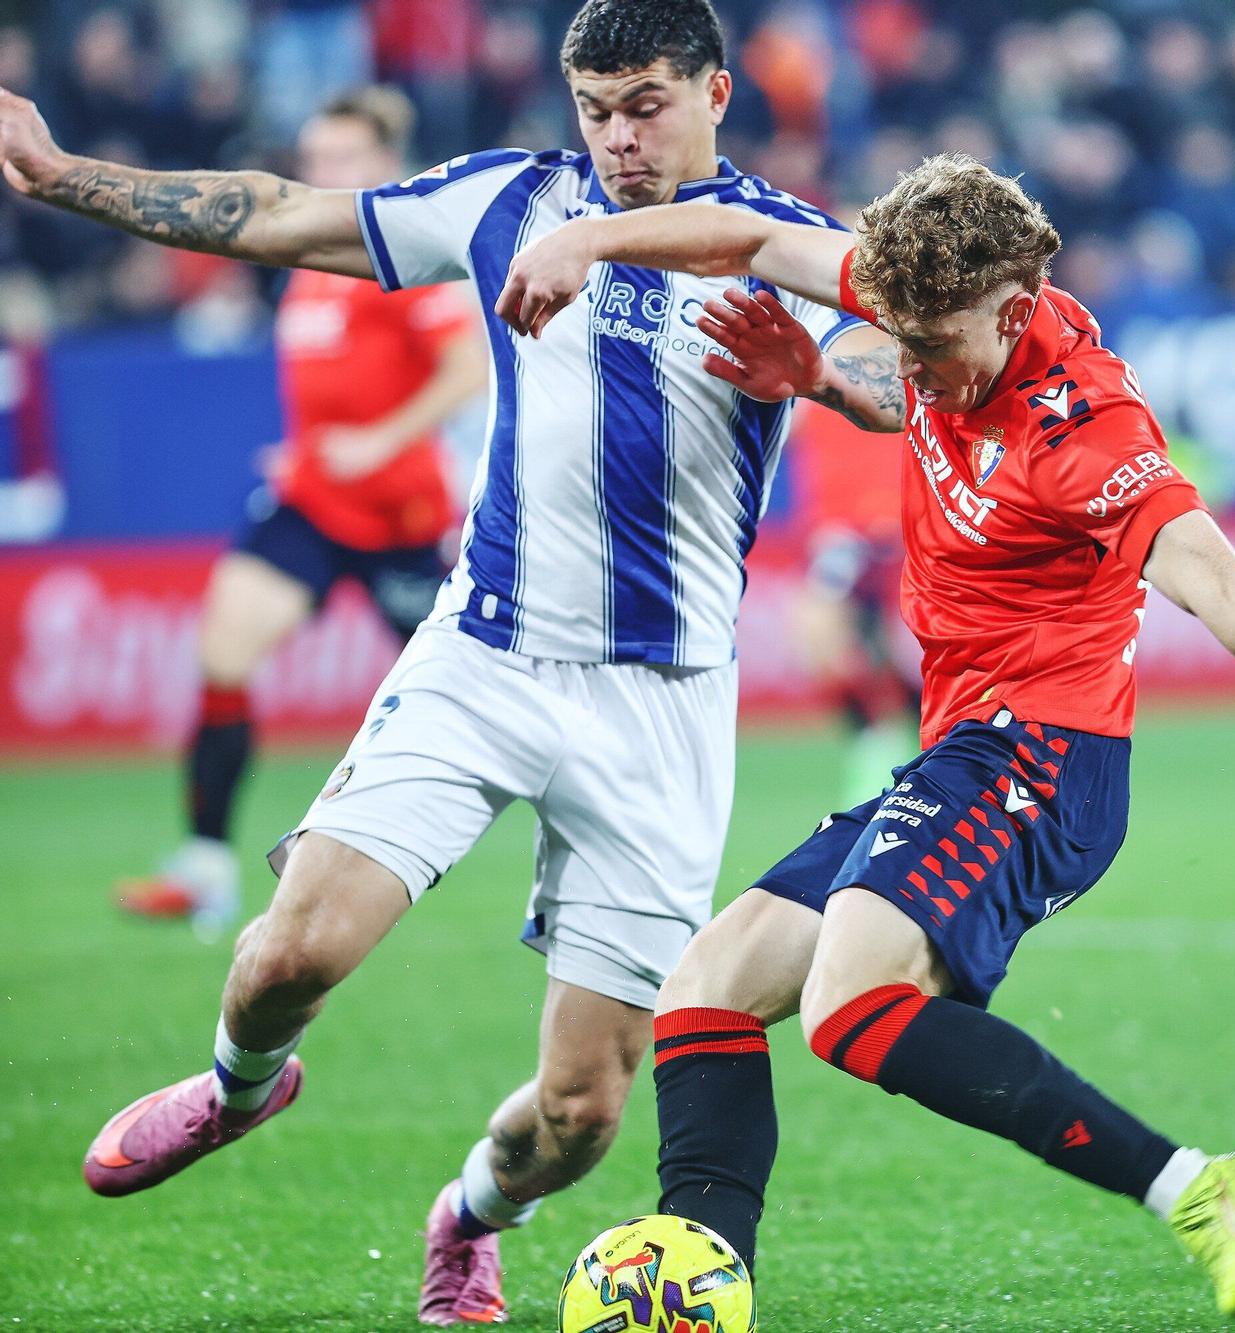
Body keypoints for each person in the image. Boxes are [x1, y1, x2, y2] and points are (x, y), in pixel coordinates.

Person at [0, 1, 895, 1324]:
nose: (619, 138)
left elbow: (902, 368)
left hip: (663, 705)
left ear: (715, 91)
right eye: (597, 109)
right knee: (283, 957)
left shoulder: (775, 239)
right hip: (485, 655)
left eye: (646, 105)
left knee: (587, 1106)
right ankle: (239, 1089)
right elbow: (283, 212)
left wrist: (813, 373)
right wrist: (69, 177)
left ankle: (473, 1212)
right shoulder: (509, 200)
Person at [496, 153, 1235, 1317]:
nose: (912, 368)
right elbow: (751, 239)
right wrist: (644, 275)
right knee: (704, 989)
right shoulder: (925, 290)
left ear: (1014, 310)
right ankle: (704, 1273)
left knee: (849, 1010)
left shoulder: (1087, 434)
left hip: (1044, 759)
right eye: (897, 338)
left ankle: (1196, 1187)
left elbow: (1215, 579)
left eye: (930, 347)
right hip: (962, 746)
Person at [117, 86, 486, 936]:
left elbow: (466, 373)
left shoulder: (405, 255)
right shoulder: (311, 261)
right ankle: (206, 865)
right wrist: (313, 452)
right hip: (312, 502)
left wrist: (377, 442)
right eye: (315, 158)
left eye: (343, 158)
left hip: (399, 516)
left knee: (466, 694)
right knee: (223, 647)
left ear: (383, 166)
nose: (323, 173)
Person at [785, 402, 921, 807]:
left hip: (901, 524)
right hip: (836, 533)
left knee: (911, 651)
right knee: (824, 648)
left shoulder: (905, 368)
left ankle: (933, 751)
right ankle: (876, 745)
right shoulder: (809, 374)